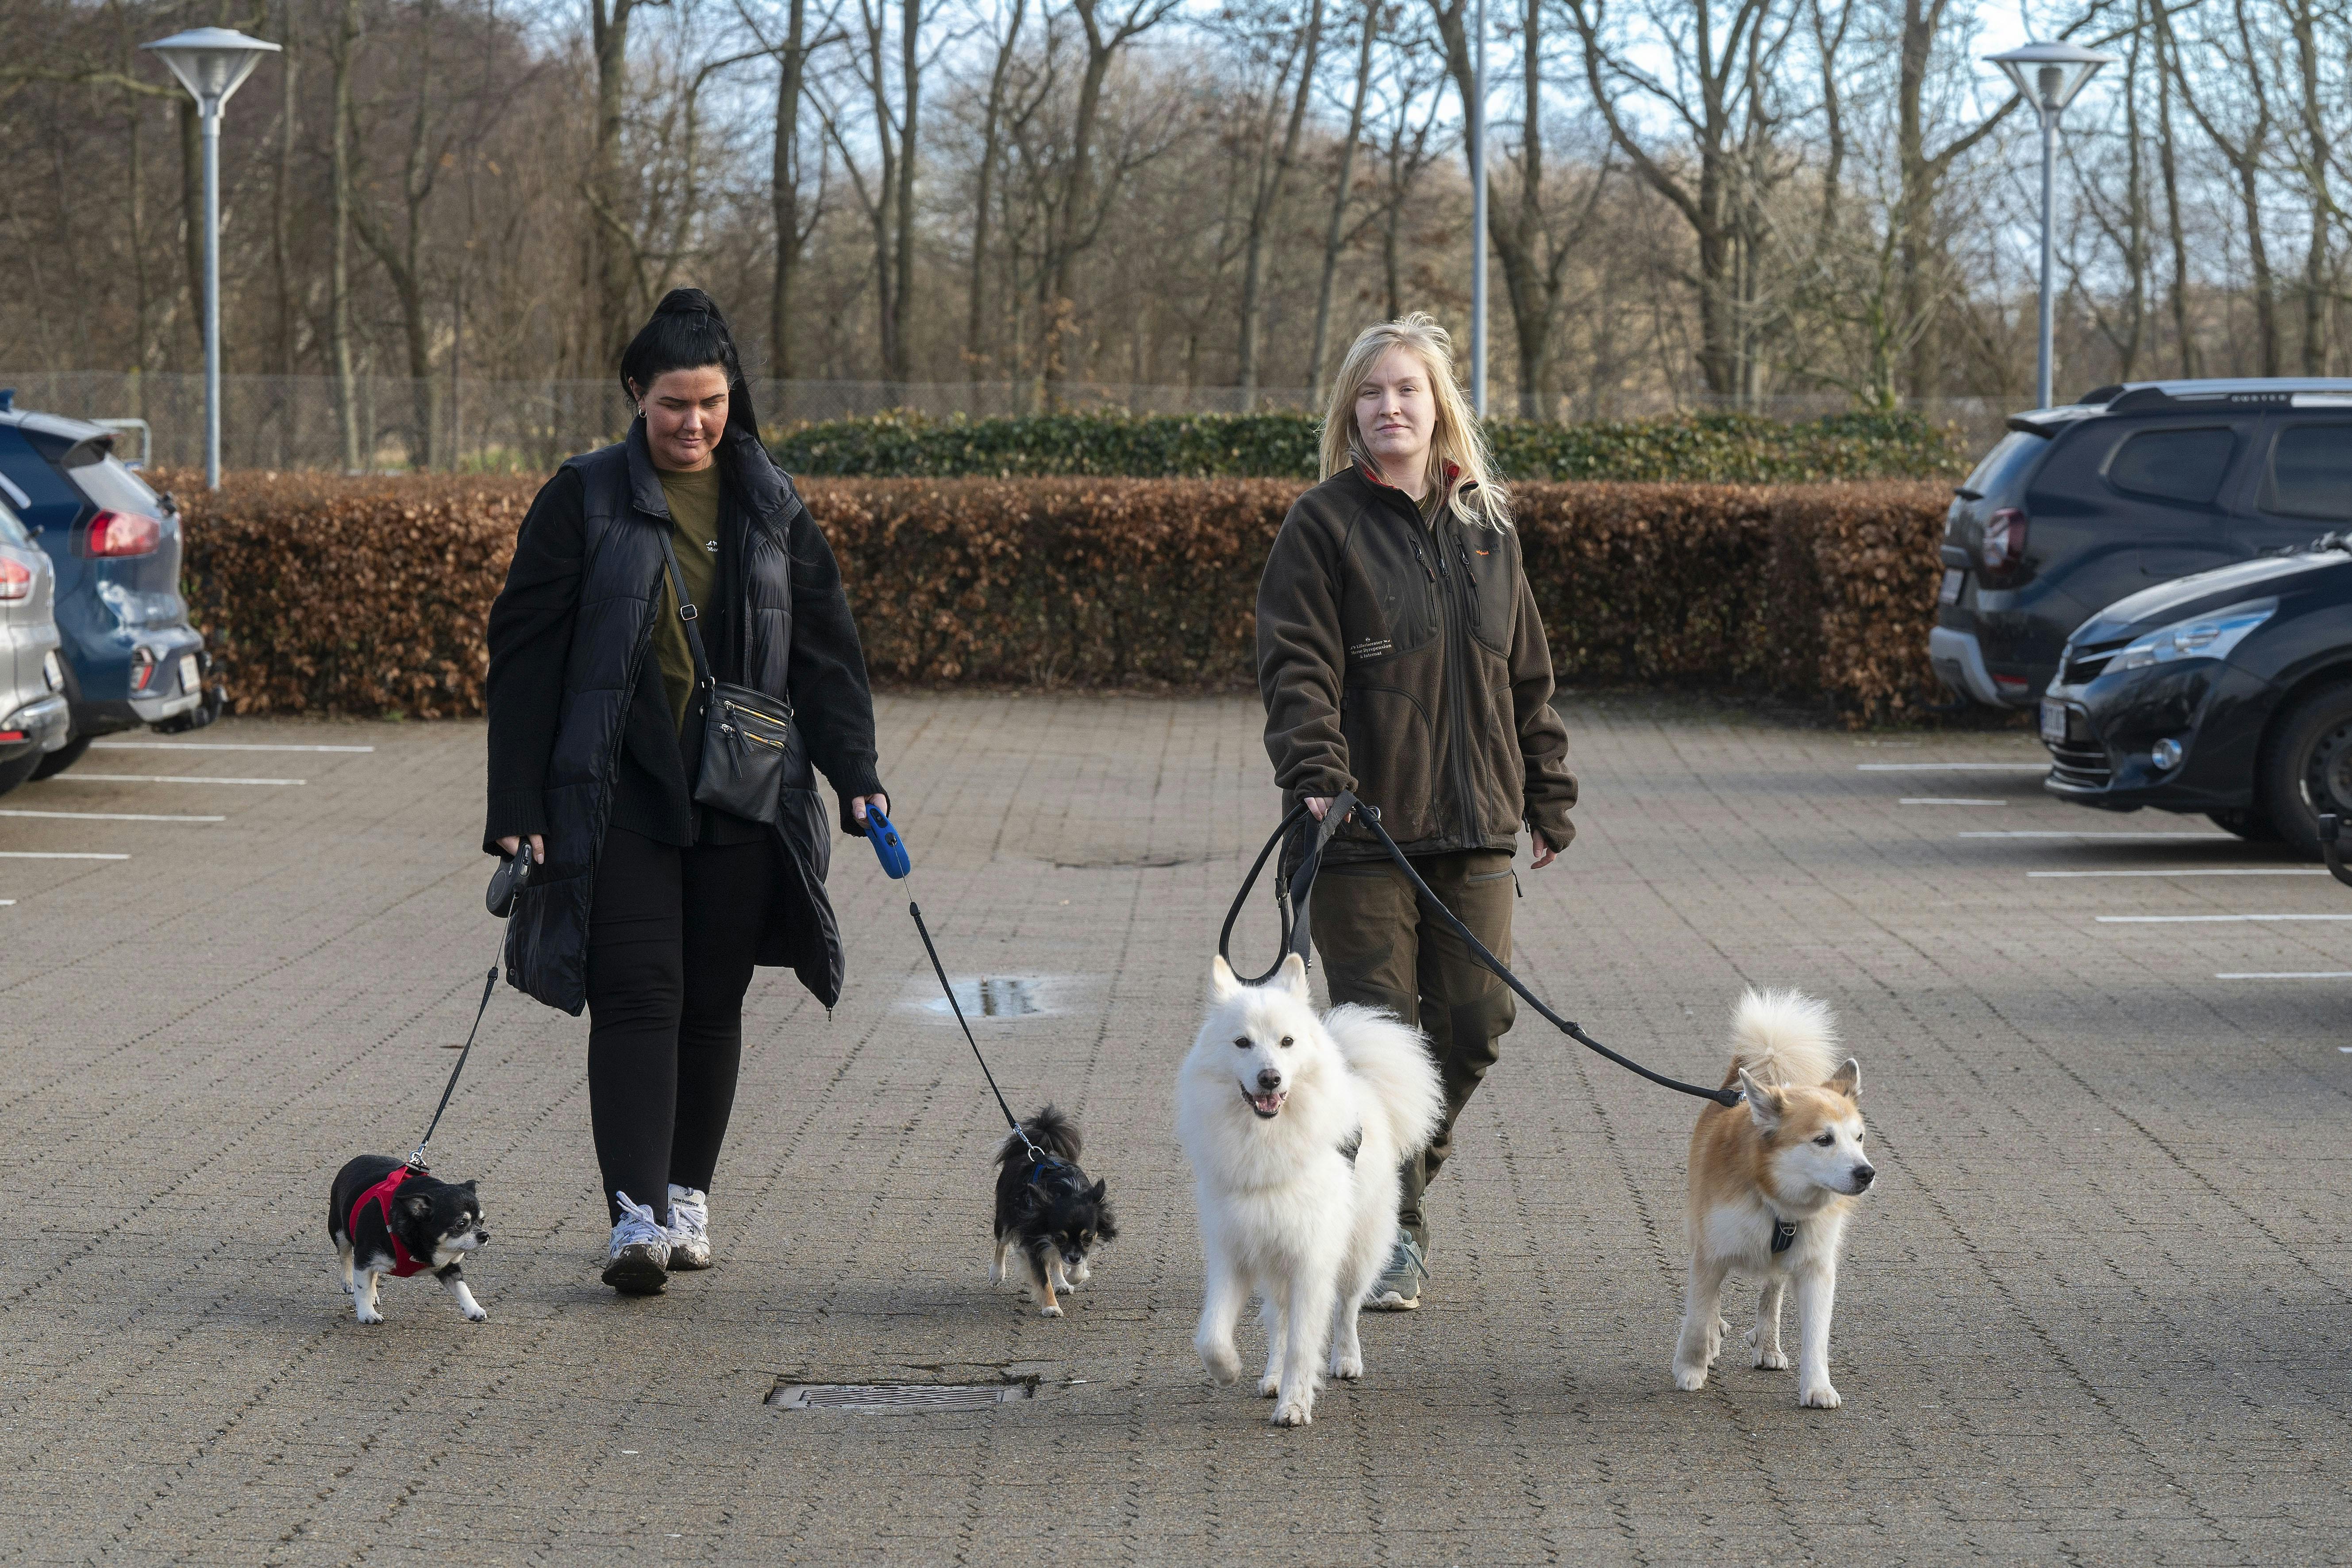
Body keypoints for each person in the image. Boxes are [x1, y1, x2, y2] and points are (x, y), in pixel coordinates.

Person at [484, 288, 887, 1296]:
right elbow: (525, 655)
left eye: (710, 401)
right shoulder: (581, 499)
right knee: (636, 997)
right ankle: (634, 1218)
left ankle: (686, 1193)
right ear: (635, 394)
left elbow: (827, 657)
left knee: (711, 1002)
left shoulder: (772, 503)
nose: (694, 422)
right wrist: (517, 807)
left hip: (745, 791)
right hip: (618, 789)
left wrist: (859, 778)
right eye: (673, 404)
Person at [1255, 312, 1577, 1311]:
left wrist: (1548, 787)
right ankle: (1393, 1234)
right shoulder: (1323, 523)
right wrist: (1316, 766)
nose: (1390, 406)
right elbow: (1296, 665)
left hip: (1477, 821)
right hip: (1359, 830)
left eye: (1408, 389)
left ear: (1440, 406)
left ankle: (1382, 1185)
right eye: (1371, 392)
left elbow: (1527, 673)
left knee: (1479, 1022)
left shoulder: (1489, 531)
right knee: (1377, 1036)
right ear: (1349, 413)